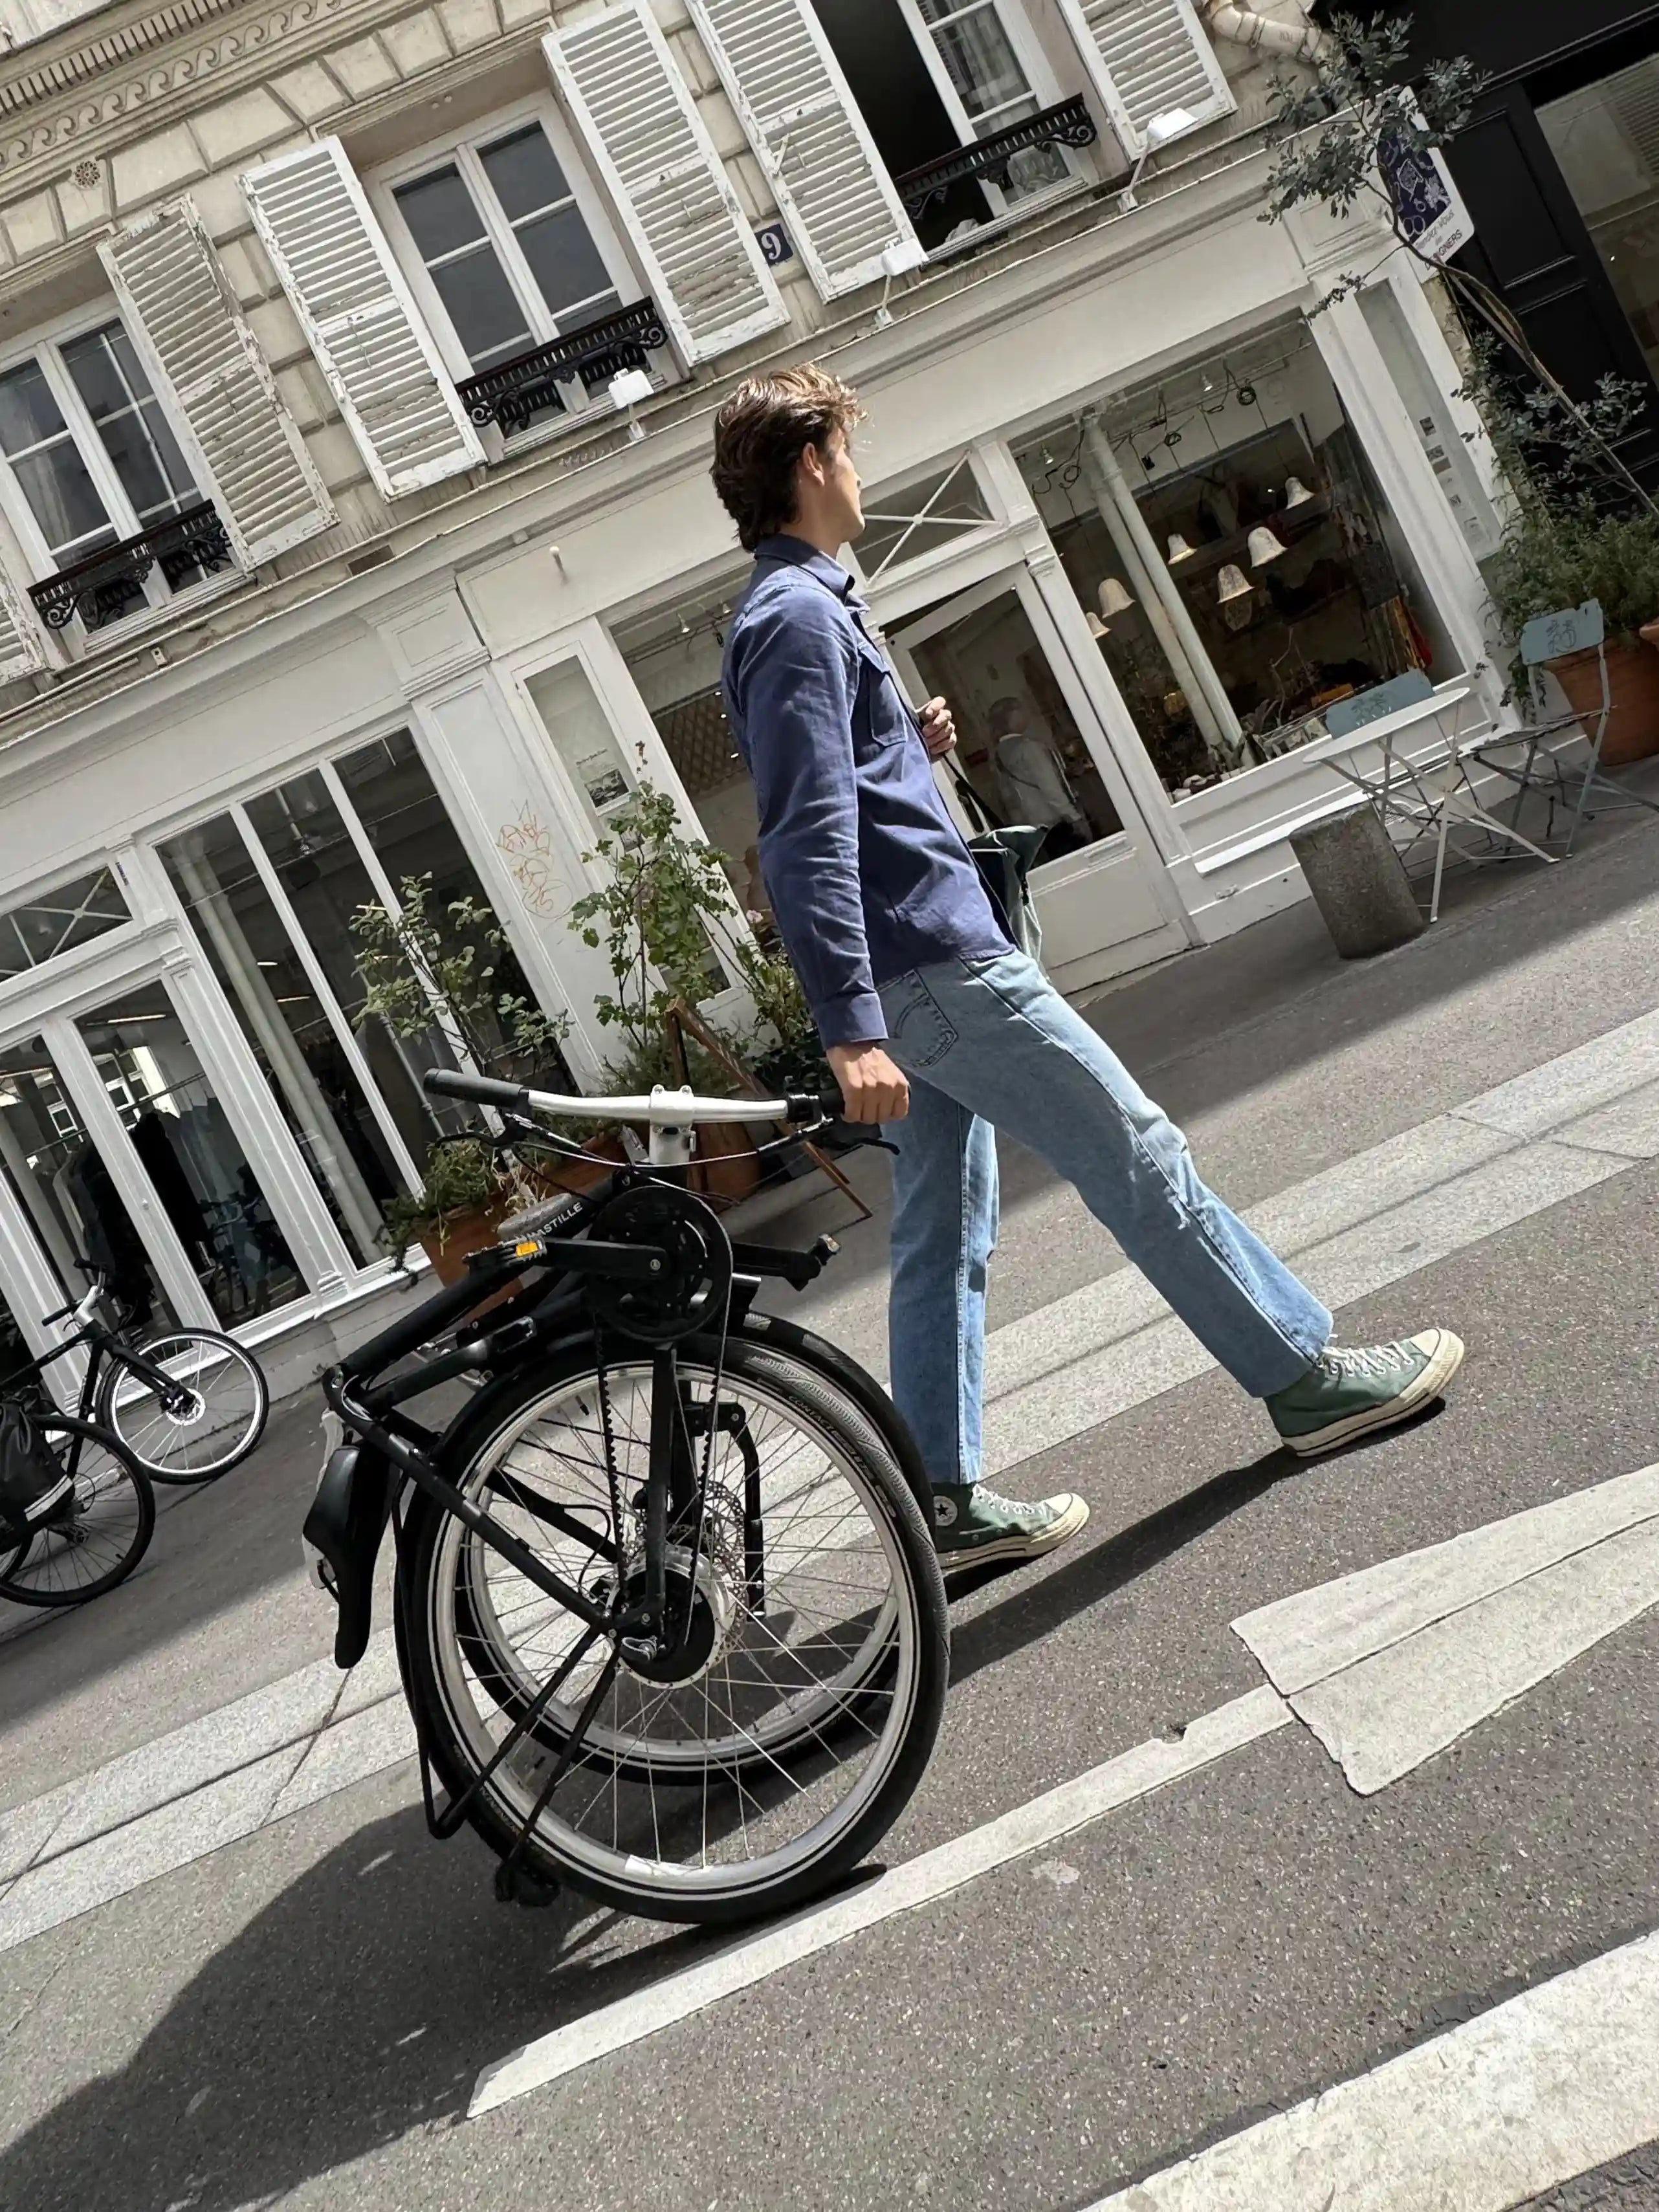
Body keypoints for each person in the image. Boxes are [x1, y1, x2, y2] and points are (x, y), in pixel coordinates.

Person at [714, 366, 1463, 1574]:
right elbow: (799, 835)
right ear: (808, 463)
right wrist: (847, 1026)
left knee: (939, 1234)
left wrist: (904, 744)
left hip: (915, 969)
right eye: (845, 450)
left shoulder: (796, 607)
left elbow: (837, 794)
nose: (857, 469)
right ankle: (1301, 1373)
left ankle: (941, 1501)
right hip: (935, 970)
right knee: (1134, 1147)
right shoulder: (795, 617)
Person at [988, 695, 1090, 859]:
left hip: (1030, 829)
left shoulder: (997, 756)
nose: (1026, 714)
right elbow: (1050, 787)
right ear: (1012, 717)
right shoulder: (1029, 748)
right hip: (1057, 823)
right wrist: (1074, 817)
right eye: (1021, 710)